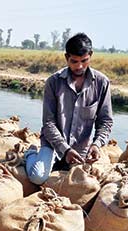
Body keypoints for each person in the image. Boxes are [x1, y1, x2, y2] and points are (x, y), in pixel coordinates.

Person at [26, 32, 113, 185]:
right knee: (38, 177)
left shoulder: (102, 83)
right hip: (53, 144)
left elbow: (105, 121)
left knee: (93, 183)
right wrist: (65, 150)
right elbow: (48, 123)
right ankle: (30, 154)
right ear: (67, 58)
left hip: (81, 148)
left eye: (84, 61)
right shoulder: (53, 82)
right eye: (74, 61)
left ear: (90, 55)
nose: (79, 66)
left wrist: (97, 144)